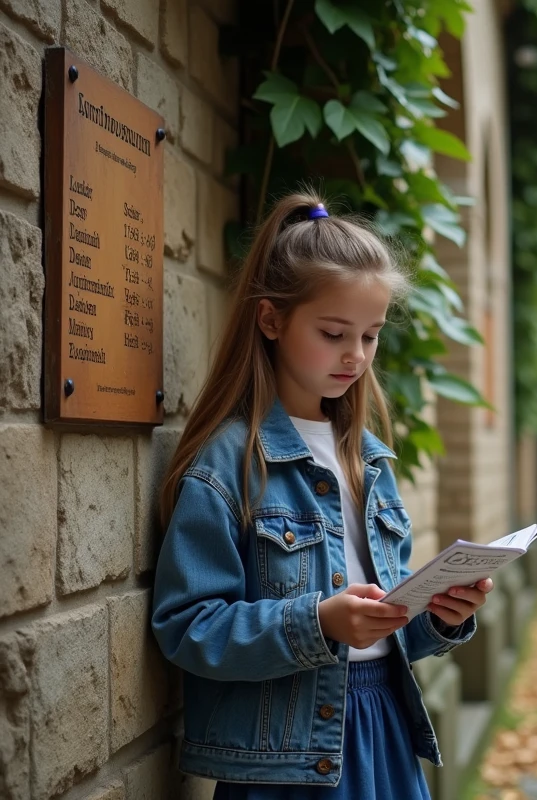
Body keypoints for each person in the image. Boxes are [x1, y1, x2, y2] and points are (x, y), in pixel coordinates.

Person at [151, 191, 490, 799]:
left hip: (383, 726)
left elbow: (387, 623)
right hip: (289, 760)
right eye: (334, 333)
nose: (356, 355)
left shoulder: (370, 458)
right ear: (272, 320)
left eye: (371, 335)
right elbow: (188, 627)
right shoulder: (228, 465)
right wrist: (317, 621)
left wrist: (439, 615)